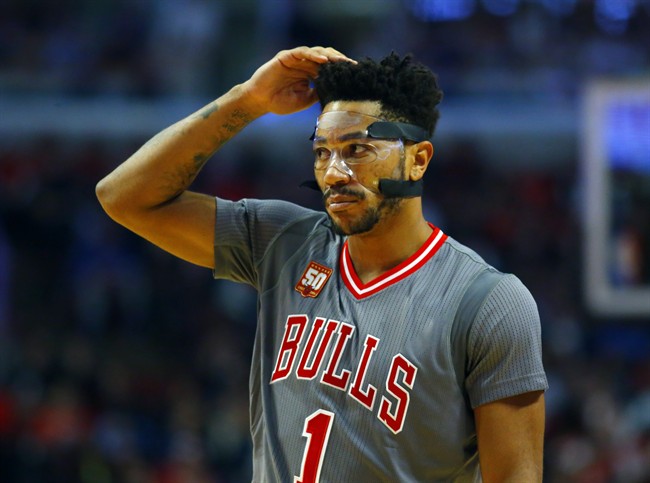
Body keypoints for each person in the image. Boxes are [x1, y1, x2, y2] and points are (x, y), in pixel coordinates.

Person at [96, 46, 548, 482]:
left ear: (418, 160)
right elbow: (124, 197)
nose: (334, 172)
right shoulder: (284, 243)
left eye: (357, 150)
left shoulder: (489, 302)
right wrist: (248, 100)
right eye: (321, 152)